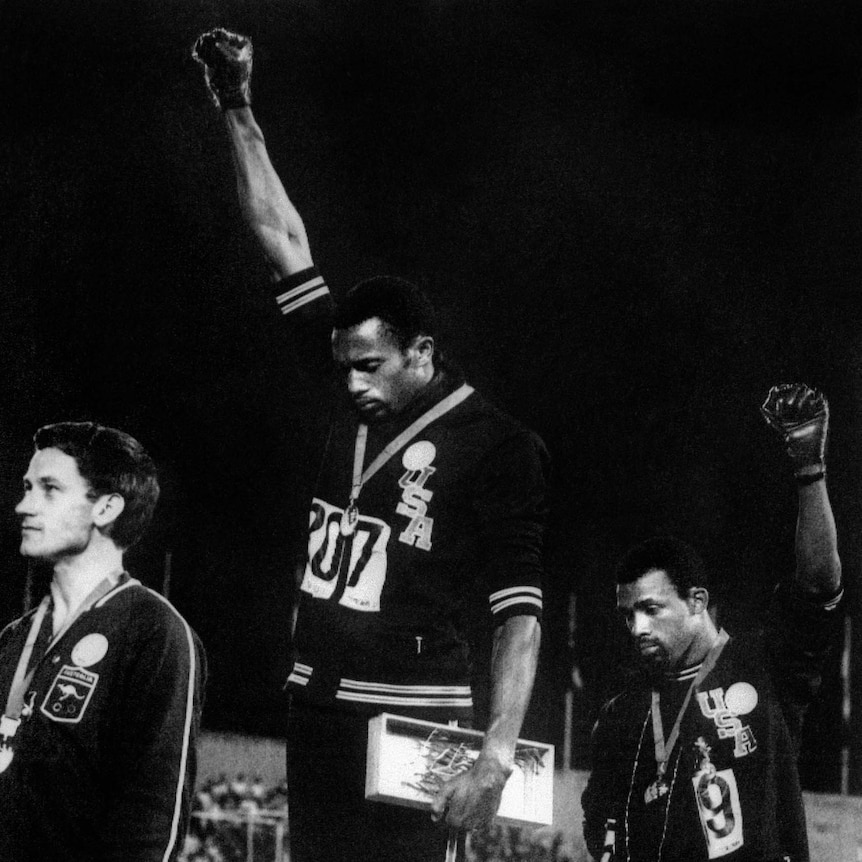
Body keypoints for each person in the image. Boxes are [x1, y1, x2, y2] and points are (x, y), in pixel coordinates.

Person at [192, 28, 548, 862]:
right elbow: (280, 233)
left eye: (374, 366)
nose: (353, 383)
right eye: (344, 365)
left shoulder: (499, 446)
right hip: (313, 704)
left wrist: (496, 753)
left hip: (416, 716)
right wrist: (236, 101)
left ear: (422, 352)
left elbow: (519, 616)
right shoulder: (344, 374)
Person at [582, 383, 843, 862]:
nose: (637, 628)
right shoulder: (623, 711)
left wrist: (809, 468)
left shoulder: (766, 665)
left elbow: (818, 584)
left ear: (697, 600)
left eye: (651, 609)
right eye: (627, 615)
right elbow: (600, 824)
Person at [0, 422, 206, 862]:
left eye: (49, 489)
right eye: (26, 487)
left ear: (107, 507)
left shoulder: (155, 633)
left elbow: (154, 826)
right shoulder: (14, 639)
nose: (23, 505)